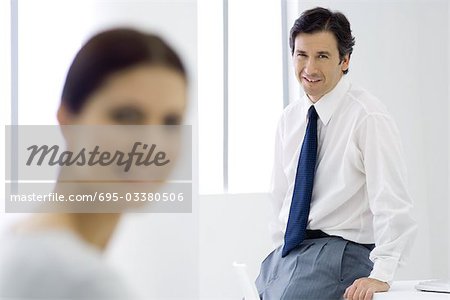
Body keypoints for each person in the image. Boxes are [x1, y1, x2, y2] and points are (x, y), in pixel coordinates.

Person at [0, 28, 187, 299]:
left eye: (170, 122)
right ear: (67, 120)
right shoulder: (82, 283)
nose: (152, 144)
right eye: (127, 116)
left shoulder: (18, 242)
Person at [255, 7, 417, 300]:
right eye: (302, 55)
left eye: (323, 56)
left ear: (345, 61)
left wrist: (381, 273)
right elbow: (281, 196)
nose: (310, 68)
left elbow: (392, 200)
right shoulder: (290, 119)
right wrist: (280, 255)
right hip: (293, 251)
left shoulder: (368, 117)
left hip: (343, 250)